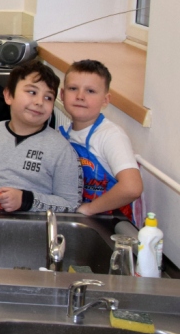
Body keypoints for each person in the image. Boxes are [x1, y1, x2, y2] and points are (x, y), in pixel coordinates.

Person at [0, 60, 83, 213]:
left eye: (48, 97)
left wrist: (26, 200)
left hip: (33, 225)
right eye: (32, 92)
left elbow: (70, 204)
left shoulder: (61, 149)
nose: (39, 102)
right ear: (9, 95)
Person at [59, 59, 143, 220]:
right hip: (78, 218)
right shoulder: (63, 134)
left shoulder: (111, 136)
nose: (80, 96)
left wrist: (89, 209)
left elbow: (132, 188)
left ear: (105, 100)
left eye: (90, 91)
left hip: (110, 223)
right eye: (73, 88)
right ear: (62, 95)